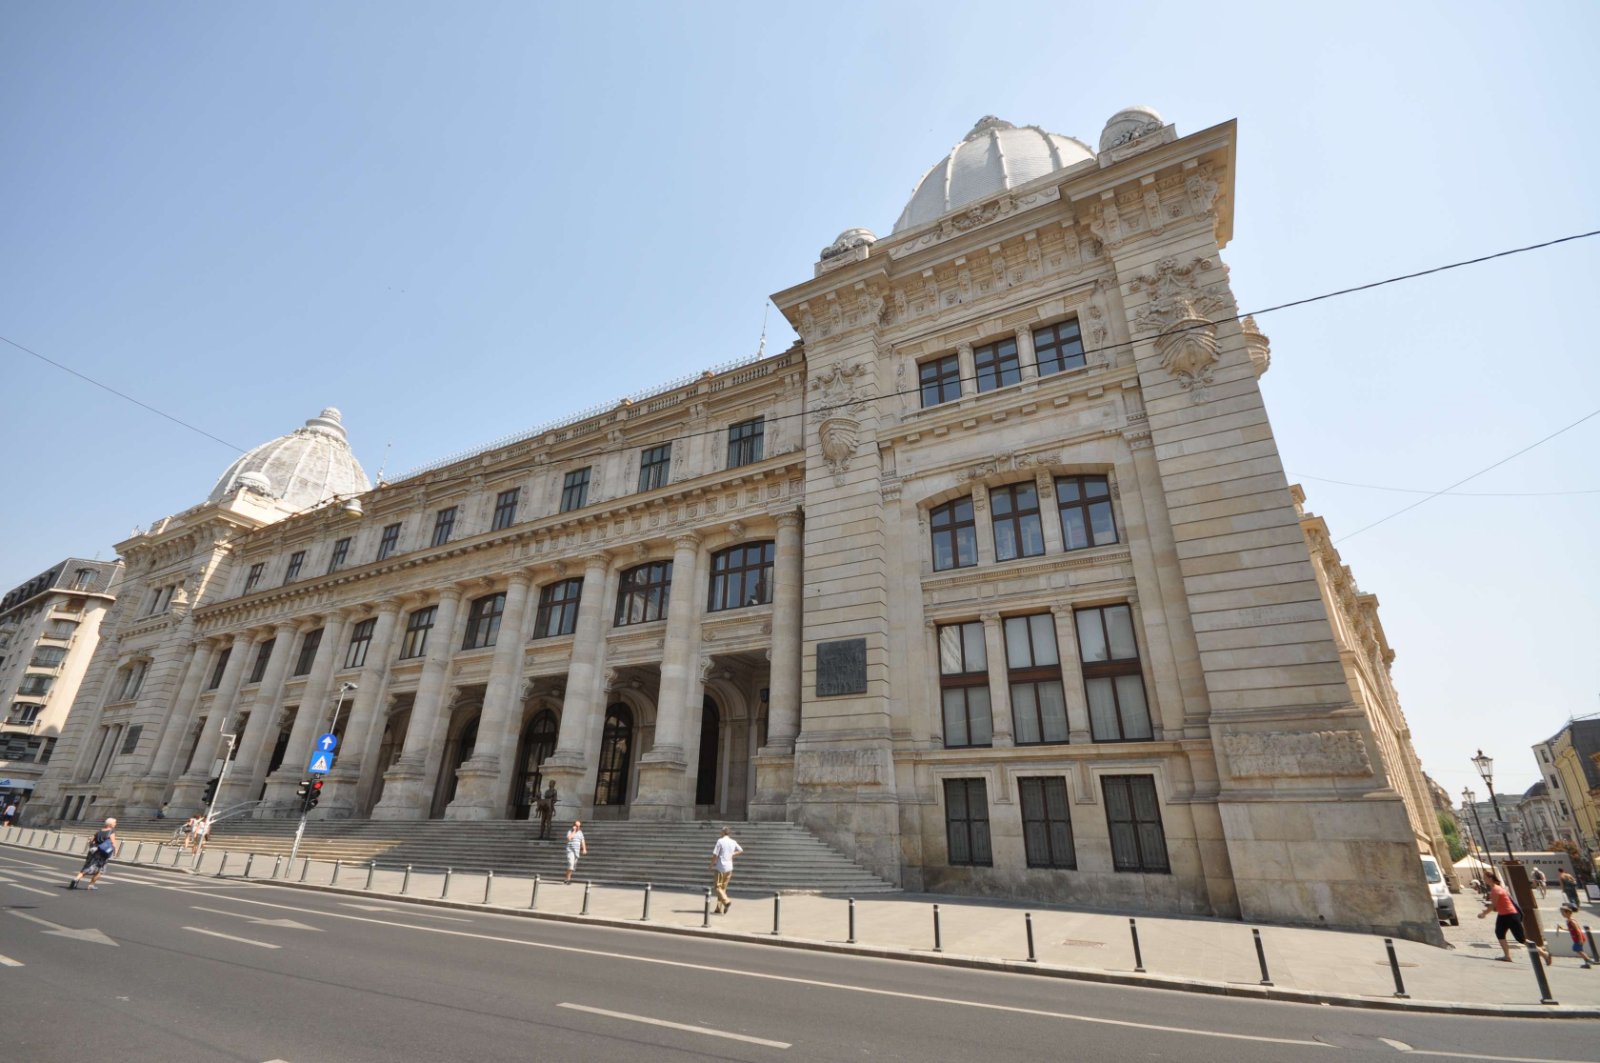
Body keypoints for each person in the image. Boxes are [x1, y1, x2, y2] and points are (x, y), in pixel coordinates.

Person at [1479, 869, 1550, 964]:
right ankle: (1507, 956)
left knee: (1521, 939)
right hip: (1503, 915)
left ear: (1490, 878)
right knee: (1499, 933)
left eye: (1485, 878)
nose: (1484, 880)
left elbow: (1493, 905)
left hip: (1510, 915)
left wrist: (1484, 914)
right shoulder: (1497, 889)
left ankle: (1544, 954)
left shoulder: (1496, 890)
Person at [70, 818, 119, 890]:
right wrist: (115, 852)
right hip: (102, 853)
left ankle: (76, 879)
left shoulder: (99, 831)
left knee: (87, 866)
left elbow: (91, 841)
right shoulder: (111, 831)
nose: (116, 824)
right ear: (110, 824)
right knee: (100, 870)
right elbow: (113, 843)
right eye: (115, 822)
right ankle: (91, 885)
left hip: (93, 852)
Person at [709, 827, 743, 914]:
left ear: (723, 832)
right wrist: (732, 854)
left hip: (720, 868)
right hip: (729, 868)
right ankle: (718, 908)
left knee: (717, 887)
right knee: (722, 889)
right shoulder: (733, 841)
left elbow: (715, 854)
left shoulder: (720, 841)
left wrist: (711, 864)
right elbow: (741, 850)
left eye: (721, 831)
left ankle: (726, 901)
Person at [1557, 903, 1592, 969]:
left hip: (1578, 938)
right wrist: (1562, 929)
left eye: (1563, 913)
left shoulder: (1572, 921)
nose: (1562, 914)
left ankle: (1588, 960)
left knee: (1577, 949)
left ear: (1568, 912)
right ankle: (1587, 962)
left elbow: (1578, 930)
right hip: (1576, 938)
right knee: (1578, 949)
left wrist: (1580, 939)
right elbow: (1571, 930)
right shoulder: (1568, 921)